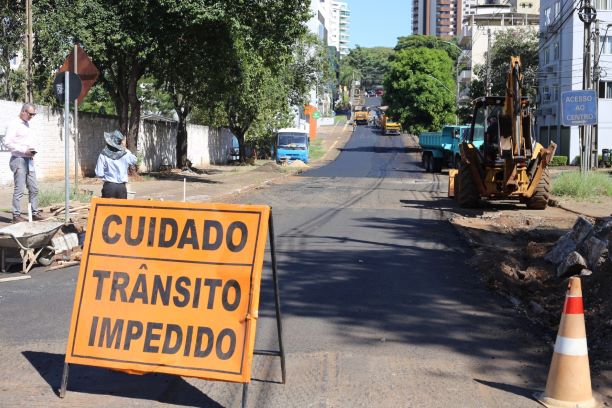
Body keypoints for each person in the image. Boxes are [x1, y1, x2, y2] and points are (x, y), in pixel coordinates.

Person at [5, 103, 44, 223]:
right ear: (23, 111)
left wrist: (31, 151)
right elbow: (7, 142)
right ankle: (16, 216)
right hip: (19, 159)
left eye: (34, 114)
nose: (32, 116)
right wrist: (24, 151)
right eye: (31, 114)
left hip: (28, 159)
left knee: (34, 188)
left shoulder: (27, 124)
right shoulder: (14, 124)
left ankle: (35, 212)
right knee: (19, 189)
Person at [95, 130, 137, 199]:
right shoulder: (126, 153)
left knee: (107, 209)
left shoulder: (103, 154)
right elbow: (135, 161)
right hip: (121, 188)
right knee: (120, 209)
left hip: (109, 186)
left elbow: (99, 173)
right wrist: (125, 149)